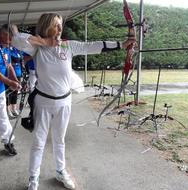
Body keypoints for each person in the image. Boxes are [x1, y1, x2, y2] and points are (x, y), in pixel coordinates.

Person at [11, 13, 135, 190]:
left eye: (61, 25)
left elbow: (92, 46)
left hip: (64, 102)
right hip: (43, 102)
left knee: (59, 140)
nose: (60, 29)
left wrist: (122, 45)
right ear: (46, 27)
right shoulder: (36, 48)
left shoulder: (68, 46)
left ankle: (60, 171)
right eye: (56, 25)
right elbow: (16, 39)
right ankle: (33, 177)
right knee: (39, 142)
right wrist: (44, 42)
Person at [0, 24, 51, 157]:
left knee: (3, 115)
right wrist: (9, 82)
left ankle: (8, 141)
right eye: (10, 39)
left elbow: (8, 65)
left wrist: (15, 80)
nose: (11, 42)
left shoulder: (6, 45)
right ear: (2, 34)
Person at [6, 47, 23, 118]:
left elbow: (21, 62)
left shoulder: (18, 51)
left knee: (15, 92)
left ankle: (14, 108)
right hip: (10, 75)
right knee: (9, 93)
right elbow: (8, 63)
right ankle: (8, 110)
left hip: (18, 73)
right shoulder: (8, 50)